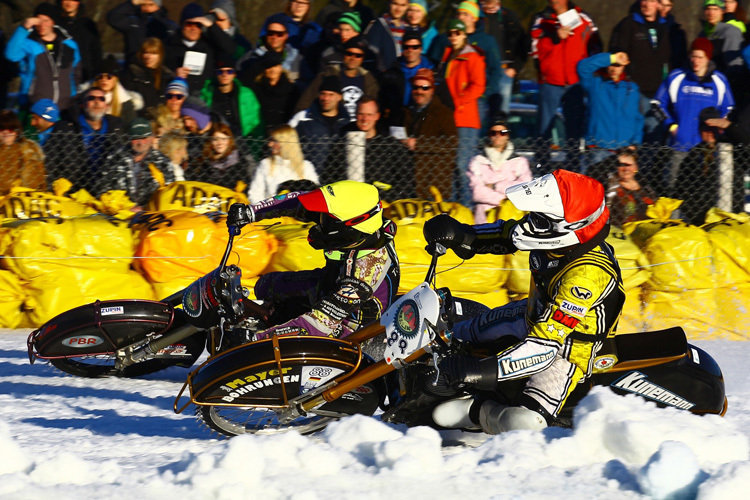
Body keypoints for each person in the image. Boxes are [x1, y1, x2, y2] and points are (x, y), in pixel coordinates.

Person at [422, 169, 624, 434]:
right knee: (446, 337)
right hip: (531, 314)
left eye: (540, 219)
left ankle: (477, 411)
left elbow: (544, 345)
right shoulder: (558, 239)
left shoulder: (586, 276)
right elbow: (509, 234)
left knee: (527, 422)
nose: (530, 223)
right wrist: (462, 234)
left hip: (567, 346)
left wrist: (482, 370)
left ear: (570, 227)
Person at [221, 180, 398, 343]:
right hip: (330, 285)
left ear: (351, 225)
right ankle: (275, 317)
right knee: (265, 285)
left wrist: (255, 340)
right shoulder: (361, 229)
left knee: (300, 322)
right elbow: (297, 201)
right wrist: (251, 212)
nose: (319, 223)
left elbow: (318, 325)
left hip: (347, 333)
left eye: (326, 220)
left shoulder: (366, 271)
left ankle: (275, 333)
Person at [655, 37, 735, 189]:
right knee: (673, 193)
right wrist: (671, 126)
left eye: (700, 57)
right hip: (680, 146)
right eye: (693, 56)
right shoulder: (676, 77)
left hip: (707, 150)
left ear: (708, 58)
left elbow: (729, 108)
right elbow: (657, 104)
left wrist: (718, 129)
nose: (695, 61)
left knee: (704, 194)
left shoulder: (719, 80)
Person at [529, 0, 601, 141]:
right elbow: (534, 49)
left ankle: (573, 163)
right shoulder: (541, 19)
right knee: (544, 130)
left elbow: (595, 46)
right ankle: (542, 163)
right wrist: (554, 37)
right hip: (550, 82)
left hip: (575, 82)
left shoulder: (584, 18)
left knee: (575, 129)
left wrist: (587, 73)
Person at [323, 97, 416, 201]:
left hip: (382, 204)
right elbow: (329, 176)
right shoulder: (342, 143)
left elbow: (406, 178)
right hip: (348, 201)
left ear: (377, 116)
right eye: (361, 114)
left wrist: (388, 198)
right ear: (356, 115)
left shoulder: (389, 145)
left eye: (369, 114)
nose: (365, 119)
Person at [435, 19, 486, 207]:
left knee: (463, 166)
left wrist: (458, 101)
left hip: (465, 118)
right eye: (450, 33)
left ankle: (467, 209)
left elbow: (479, 85)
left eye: (457, 33)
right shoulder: (448, 55)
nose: (453, 36)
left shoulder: (472, 56)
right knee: (450, 166)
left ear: (464, 35)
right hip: (449, 117)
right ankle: (452, 208)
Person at [428, 1, 502, 126]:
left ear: (474, 18)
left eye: (465, 14)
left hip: (474, 98)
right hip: (447, 97)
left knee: (466, 135)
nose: (460, 17)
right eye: (458, 14)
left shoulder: (487, 41)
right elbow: (432, 64)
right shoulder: (444, 40)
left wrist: (485, 94)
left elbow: (495, 70)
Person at [5, 3, 82, 115]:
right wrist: (23, 28)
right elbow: (11, 55)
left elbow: (76, 72)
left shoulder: (70, 45)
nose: (42, 24)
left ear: (53, 22)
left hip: (64, 107)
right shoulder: (28, 43)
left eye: (46, 20)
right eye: (38, 20)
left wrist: (72, 95)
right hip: (33, 106)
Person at [672, 106, 745, 224]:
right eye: (705, 128)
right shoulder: (692, 156)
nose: (710, 132)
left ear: (720, 129)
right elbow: (681, 191)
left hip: (731, 218)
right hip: (701, 222)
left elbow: (747, 147)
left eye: (714, 128)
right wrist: (701, 218)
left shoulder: (733, 150)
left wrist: (730, 127)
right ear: (700, 130)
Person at [403, 68, 458, 200]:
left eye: (424, 88)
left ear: (432, 90)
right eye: (416, 87)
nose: (419, 91)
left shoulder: (443, 113)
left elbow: (452, 143)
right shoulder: (407, 112)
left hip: (434, 186)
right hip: (409, 183)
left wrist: (419, 144)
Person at [577, 51, 643, 160]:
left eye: (618, 65)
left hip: (625, 151)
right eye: (612, 64)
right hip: (599, 149)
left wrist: (635, 143)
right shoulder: (595, 84)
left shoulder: (632, 89)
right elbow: (582, 67)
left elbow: (638, 118)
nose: (614, 69)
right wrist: (612, 58)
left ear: (624, 66)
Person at [96, 117, 175, 208]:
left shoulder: (162, 162)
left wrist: (145, 208)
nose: (140, 142)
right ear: (128, 138)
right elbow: (102, 191)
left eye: (144, 137)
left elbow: (170, 194)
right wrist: (127, 208)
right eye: (136, 138)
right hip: (119, 214)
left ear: (152, 137)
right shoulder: (114, 158)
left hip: (152, 214)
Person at [163, 3, 238, 97]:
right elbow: (159, 72)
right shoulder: (168, 44)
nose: (193, 28)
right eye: (189, 24)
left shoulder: (209, 44)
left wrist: (212, 26)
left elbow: (230, 49)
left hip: (205, 97)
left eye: (198, 24)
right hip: (177, 97)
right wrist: (174, 75)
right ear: (182, 24)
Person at [295, 36, 380, 119]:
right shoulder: (327, 75)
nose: (353, 58)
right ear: (343, 55)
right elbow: (303, 104)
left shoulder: (370, 81)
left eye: (358, 55)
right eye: (349, 54)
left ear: (362, 58)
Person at [467, 115, 532, 223]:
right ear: (489, 135)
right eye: (493, 133)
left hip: (513, 218)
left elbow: (524, 188)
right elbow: (477, 193)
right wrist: (507, 200)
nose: (498, 136)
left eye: (503, 133)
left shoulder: (520, 162)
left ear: (508, 136)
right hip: (485, 219)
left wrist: (495, 186)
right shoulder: (477, 161)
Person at [289, 74, 351, 173]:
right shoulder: (302, 118)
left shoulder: (348, 123)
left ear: (339, 97)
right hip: (310, 179)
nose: (325, 98)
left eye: (331, 94)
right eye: (323, 93)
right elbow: (286, 143)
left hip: (339, 180)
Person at [378, 29, 435, 132]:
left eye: (415, 47)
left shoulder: (432, 70)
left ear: (421, 48)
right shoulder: (392, 71)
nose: (410, 50)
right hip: (398, 121)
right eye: (406, 47)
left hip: (423, 121)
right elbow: (382, 100)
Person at [478, 0, 528, 114]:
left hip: (504, 72)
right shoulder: (474, 15)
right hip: (479, 70)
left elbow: (523, 45)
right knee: (477, 114)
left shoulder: (509, 16)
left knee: (501, 116)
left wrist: (514, 68)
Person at [248, 125, 319, 202]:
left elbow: (315, 194)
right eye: (269, 140)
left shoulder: (306, 166)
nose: (269, 144)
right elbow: (255, 194)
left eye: (274, 141)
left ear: (286, 143)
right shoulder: (265, 164)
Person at [200, 59, 263, 139]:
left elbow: (256, 118)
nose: (224, 75)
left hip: (241, 138)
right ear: (216, 74)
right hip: (214, 138)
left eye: (229, 71)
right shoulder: (206, 93)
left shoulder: (246, 94)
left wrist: (245, 134)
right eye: (220, 72)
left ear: (234, 74)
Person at [106, 0, 178, 66]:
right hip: (134, 68)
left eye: (151, 5)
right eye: (143, 5)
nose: (147, 8)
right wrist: (133, 3)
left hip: (160, 70)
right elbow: (113, 18)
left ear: (158, 6)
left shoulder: (168, 26)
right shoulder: (133, 22)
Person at [237, 15, 304, 85]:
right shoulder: (251, 56)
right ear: (266, 34)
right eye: (271, 33)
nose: (274, 37)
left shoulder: (297, 59)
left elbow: (305, 83)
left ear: (286, 36)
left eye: (279, 34)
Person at [187, 122, 253, 189]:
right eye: (215, 139)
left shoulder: (239, 162)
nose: (220, 143)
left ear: (229, 141)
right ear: (210, 142)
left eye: (223, 139)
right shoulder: (203, 164)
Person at [83, 55, 144, 125]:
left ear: (115, 79)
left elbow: (132, 127)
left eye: (109, 77)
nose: (104, 80)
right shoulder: (85, 99)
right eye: (100, 76)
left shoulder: (126, 104)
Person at [120, 37, 176, 111]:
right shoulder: (131, 74)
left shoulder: (168, 76)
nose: (148, 57)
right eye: (146, 52)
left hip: (163, 117)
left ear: (160, 56)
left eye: (153, 53)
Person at [605, 149, 657, 227]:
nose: (626, 169)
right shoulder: (610, 185)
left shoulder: (645, 185)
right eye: (622, 165)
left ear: (636, 167)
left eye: (629, 165)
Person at [249, 51, 300, 130]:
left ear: (280, 67)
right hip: (263, 132)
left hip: (286, 131)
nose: (272, 70)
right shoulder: (256, 89)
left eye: (275, 65)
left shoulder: (292, 89)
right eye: (268, 66)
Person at [0, 109, 46, 195]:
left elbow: (37, 183)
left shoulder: (30, 149)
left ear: (17, 131)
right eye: (1, 129)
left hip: (25, 200)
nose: (6, 133)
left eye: (10, 129)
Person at [55, 0, 102, 82]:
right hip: (59, 75)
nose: (69, 3)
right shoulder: (53, 24)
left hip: (85, 76)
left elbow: (96, 52)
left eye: (73, 0)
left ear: (78, 3)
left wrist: (95, 74)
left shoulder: (88, 24)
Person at [699, 0, 744, 79]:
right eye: (708, 9)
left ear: (722, 11)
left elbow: (733, 64)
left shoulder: (730, 31)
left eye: (715, 9)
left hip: (722, 80)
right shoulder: (702, 33)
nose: (711, 13)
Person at [364, 0, 409, 69]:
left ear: (407, 6)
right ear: (388, 3)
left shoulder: (408, 28)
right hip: (384, 75)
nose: (398, 9)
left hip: (404, 75)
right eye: (395, 4)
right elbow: (371, 55)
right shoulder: (377, 25)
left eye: (403, 5)